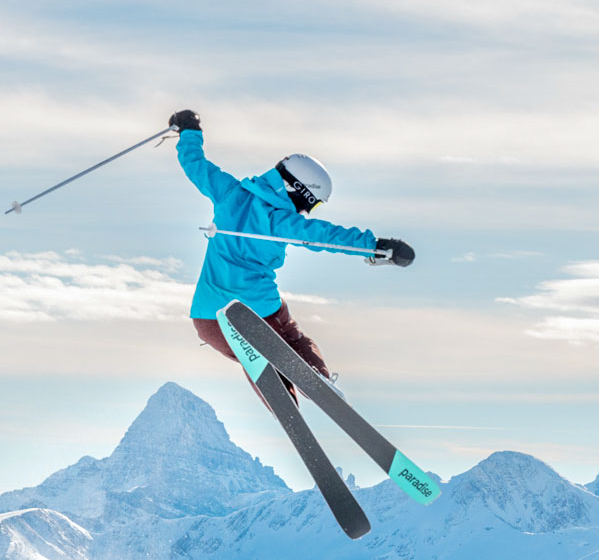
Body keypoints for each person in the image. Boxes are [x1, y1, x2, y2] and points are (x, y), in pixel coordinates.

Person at [168, 109, 414, 404]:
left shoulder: (229, 193)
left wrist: (189, 131)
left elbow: (196, 165)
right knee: (291, 339)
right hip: (258, 312)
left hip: (207, 319)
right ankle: (317, 379)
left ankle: (281, 398)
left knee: (258, 359)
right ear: (300, 192)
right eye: (313, 205)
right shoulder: (281, 222)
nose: (309, 212)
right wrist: (377, 246)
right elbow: (326, 236)